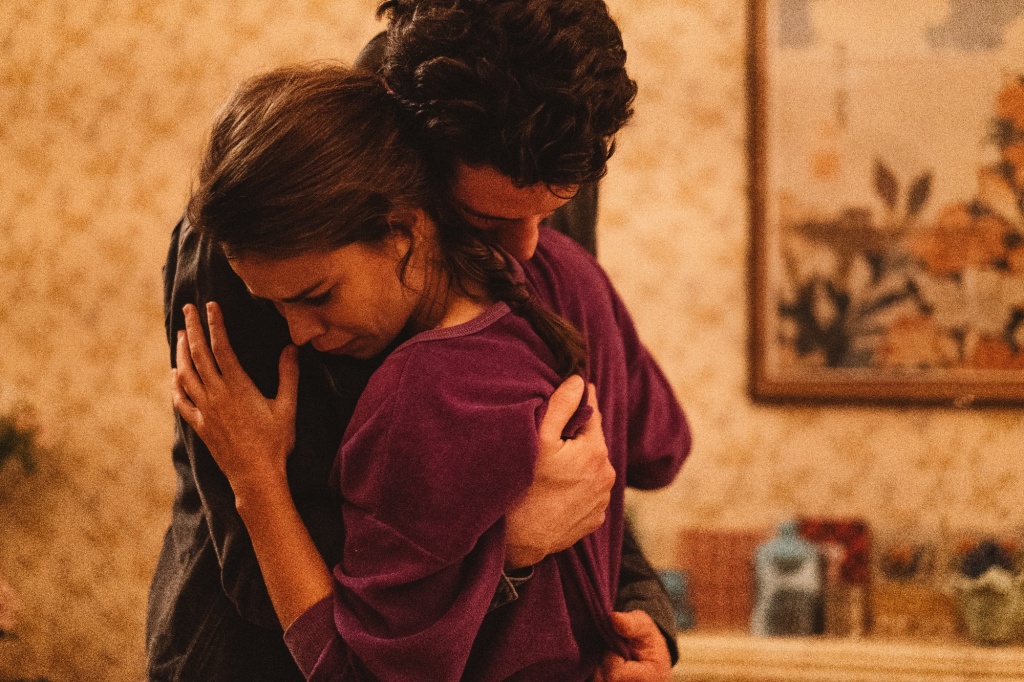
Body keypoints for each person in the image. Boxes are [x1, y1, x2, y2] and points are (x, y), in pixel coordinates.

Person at [147, 1, 689, 679]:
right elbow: (267, 563)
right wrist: (505, 549)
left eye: (551, 212)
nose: (528, 249)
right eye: (483, 217)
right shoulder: (266, 235)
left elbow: (576, 453)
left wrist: (637, 608)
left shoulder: (535, 161)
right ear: (411, 173)